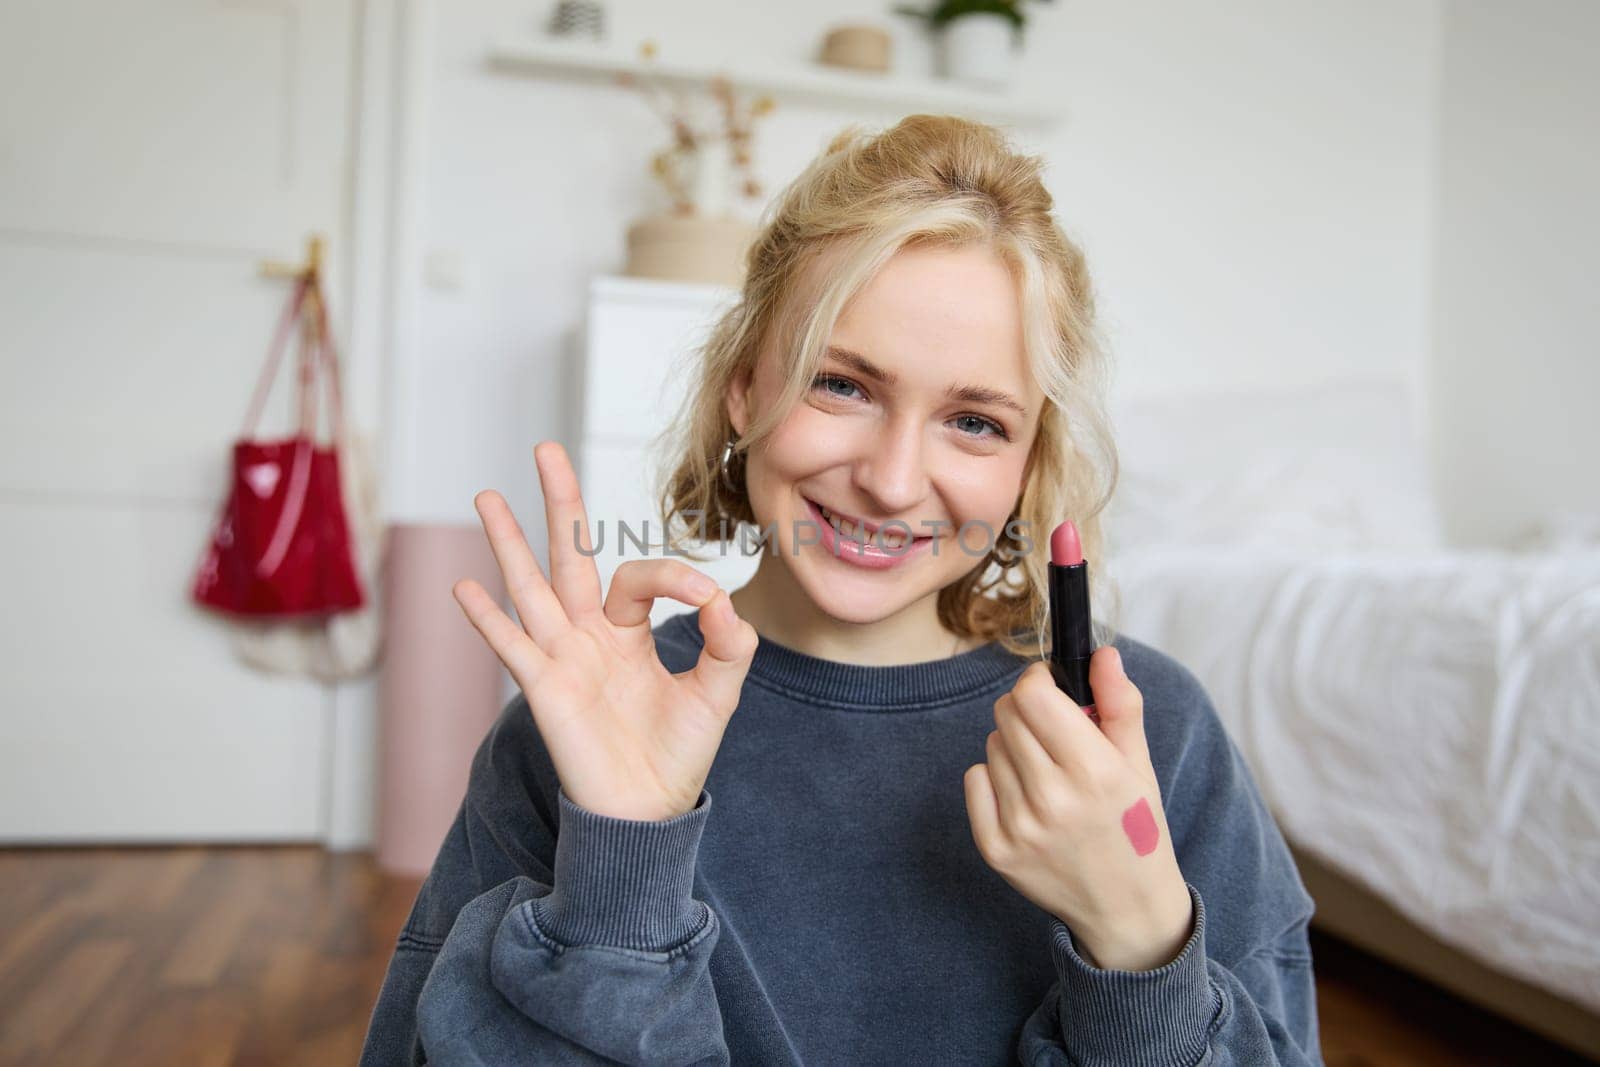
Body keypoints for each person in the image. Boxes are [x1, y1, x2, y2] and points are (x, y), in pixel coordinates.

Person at [359, 114, 1323, 1066]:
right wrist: (621, 871)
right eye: (843, 385)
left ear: (1032, 462)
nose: (894, 481)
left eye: (976, 422)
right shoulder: (585, 729)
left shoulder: (1155, 742)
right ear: (744, 388)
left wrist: (1143, 945)